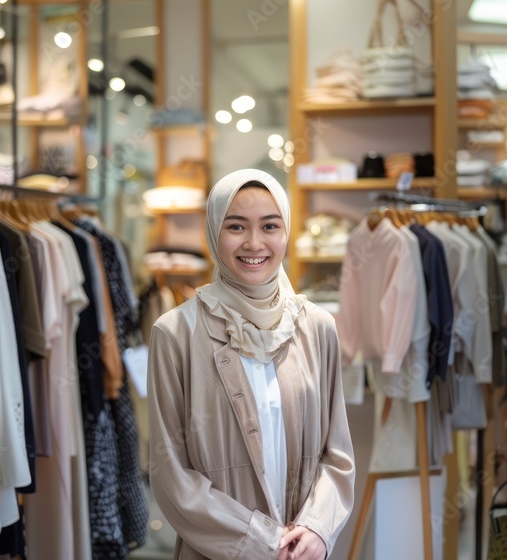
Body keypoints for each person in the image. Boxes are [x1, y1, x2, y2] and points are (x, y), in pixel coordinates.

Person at [147, 169, 356, 560]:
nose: (254, 243)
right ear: (213, 231)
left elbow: (338, 454)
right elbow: (171, 475)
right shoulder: (175, 334)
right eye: (237, 226)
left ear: (286, 231)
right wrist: (260, 544)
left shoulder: (318, 328)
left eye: (270, 225)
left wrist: (317, 528)